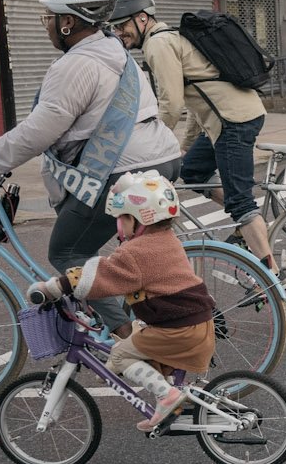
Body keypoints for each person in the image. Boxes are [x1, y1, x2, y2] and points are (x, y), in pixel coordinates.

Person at [0, 0, 180, 334]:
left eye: (48, 17)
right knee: (112, 245)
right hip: (161, 157)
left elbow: (40, 131)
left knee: (67, 252)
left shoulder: (76, 65)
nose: (45, 25)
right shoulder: (116, 53)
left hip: (123, 169)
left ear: (68, 23)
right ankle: (133, 313)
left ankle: (132, 343)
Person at [29, 171, 215, 433]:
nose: (119, 225)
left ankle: (168, 397)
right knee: (139, 340)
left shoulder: (136, 252)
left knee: (120, 354)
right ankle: (169, 397)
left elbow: (102, 274)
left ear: (138, 218)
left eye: (121, 218)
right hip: (194, 323)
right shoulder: (166, 240)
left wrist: (55, 287)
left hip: (179, 330)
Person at [111, 0, 276, 271]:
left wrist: (154, 142)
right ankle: (248, 224)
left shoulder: (158, 44)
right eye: (115, 27)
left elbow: (171, 103)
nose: (119, 32)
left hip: (233, 121)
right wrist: (184, 145)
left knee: (240, 200)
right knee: (192, 171)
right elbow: (196, 99)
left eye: (122, 25)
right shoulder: (169, 38)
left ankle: (271, 274)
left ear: (142, 18)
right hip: (228, 117)